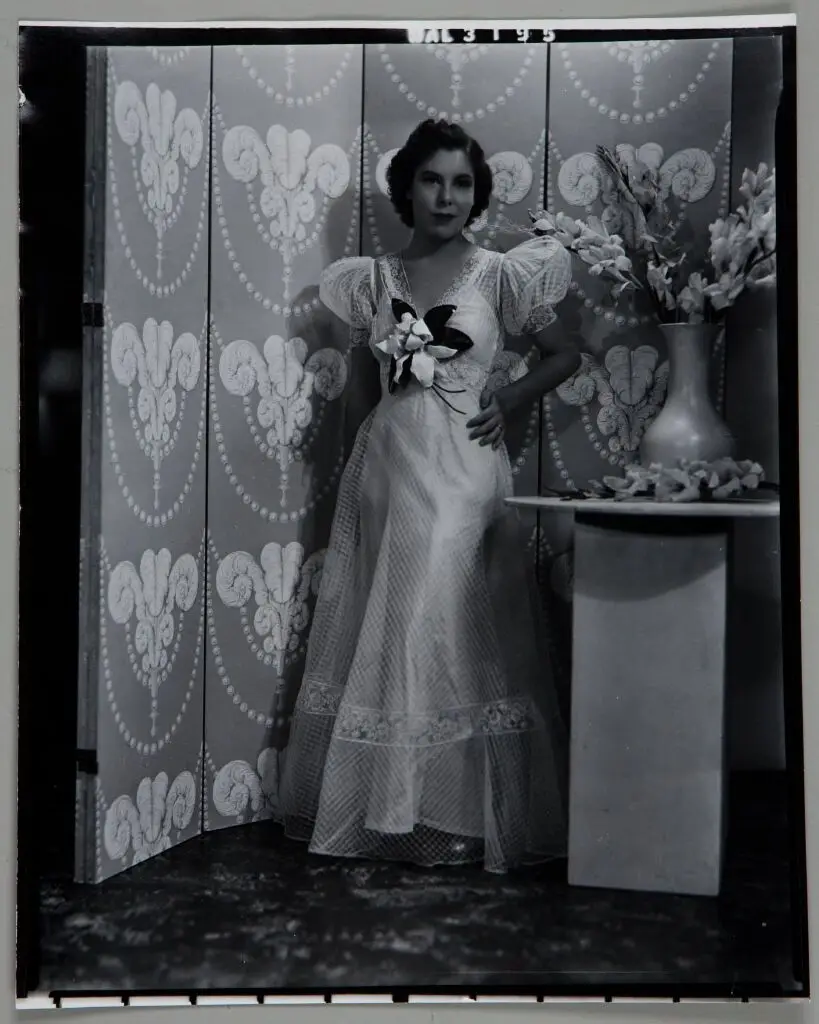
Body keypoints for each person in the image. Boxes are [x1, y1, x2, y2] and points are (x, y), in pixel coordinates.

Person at [278, 118, 580, 874]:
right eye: (431, 179)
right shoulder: (372, 279)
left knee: (440, 618)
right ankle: (390, 812)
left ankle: (447, 810)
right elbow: (362, 394)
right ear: (406, 188)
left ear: (475, 195)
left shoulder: (499, 275)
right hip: (388, 466)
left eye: (460, 183)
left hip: (464, 466)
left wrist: (508, 401)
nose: (446, 196)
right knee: (392, 624)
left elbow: (565, 354)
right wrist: (350, 479)